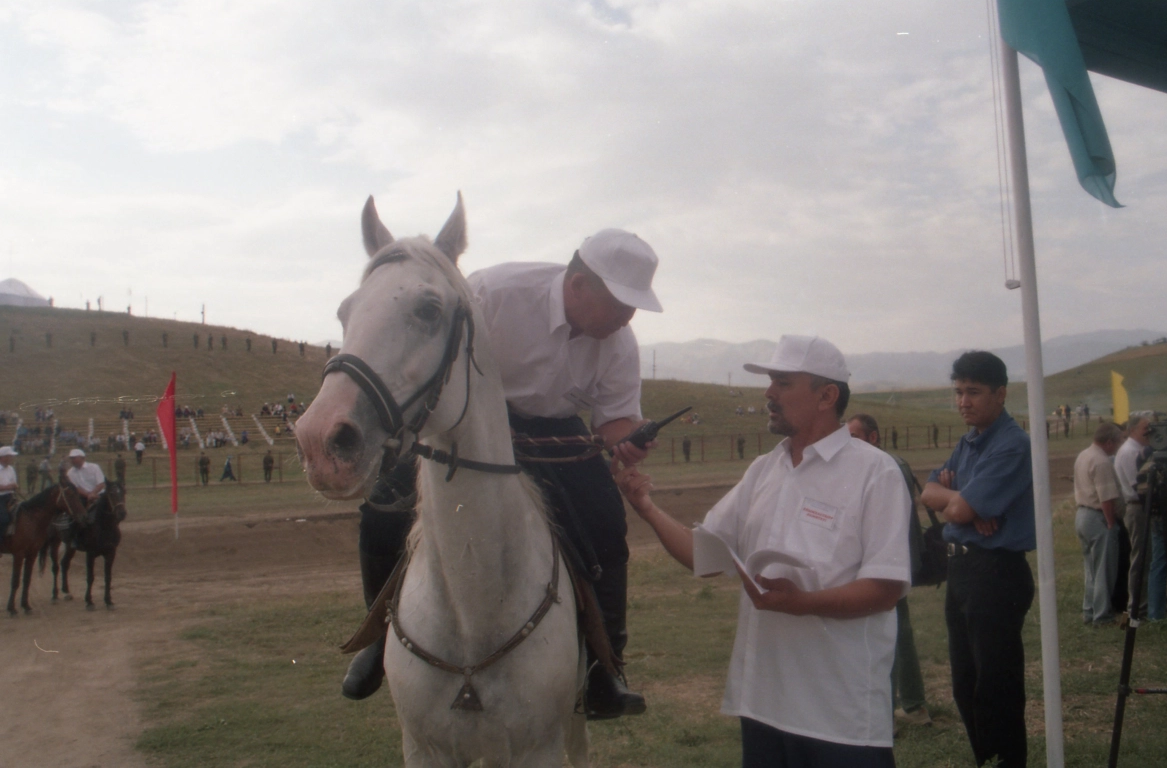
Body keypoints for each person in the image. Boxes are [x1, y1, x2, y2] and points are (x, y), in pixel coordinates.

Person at [342, 228, 661, 721]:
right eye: (620, 302)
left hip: (555, 431)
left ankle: (604, 668)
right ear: (578, 284)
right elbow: (436, 356)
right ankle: (378, 637)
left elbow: (614, 421)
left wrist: (631, 438)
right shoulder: (494, 294)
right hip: (471, 419)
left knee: (604, 520)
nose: (627, 316)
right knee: (384, 507)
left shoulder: (619, 341)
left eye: (633, 306)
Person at [615, 335, 910, 767]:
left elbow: (885, 588)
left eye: (783, 382)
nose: (768, 393)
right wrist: (647, 508)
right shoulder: (764, 469)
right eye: (771, 381)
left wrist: (803, 604)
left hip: (840, 716)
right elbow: (706, 556)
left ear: (827, 395)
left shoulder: (874, 472)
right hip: (763, 706)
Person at [921, 351, 1035, 768]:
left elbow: (955, 510)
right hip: (963, 569)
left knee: (996, 682)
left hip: (997, 572)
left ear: (1000, 394)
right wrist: (965, 502)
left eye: (973, 392)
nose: (963, 401)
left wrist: (962, 502)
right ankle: (987, 756)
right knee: (965, 680)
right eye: (958, 392)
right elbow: (929, 494)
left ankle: (1010, 760)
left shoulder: (1013, 445)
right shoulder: (969, 442)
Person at [846, 412, 932, 731]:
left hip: (889, 565)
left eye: (854, 437)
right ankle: (912, 704)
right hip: (897, 561)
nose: (848, 444)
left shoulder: (883, 466)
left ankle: (891, 711)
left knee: (888, 635)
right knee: (899, 633)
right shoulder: (894, 462)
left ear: (873, 437)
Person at [1116, 413, 1167, 620]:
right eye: (1145, 427)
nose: (1149, 431)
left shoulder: (1138, 450)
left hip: (1143, 506)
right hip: (1137, 507)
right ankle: (1137, 606)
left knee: (1147, 558)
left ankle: (1146, 602)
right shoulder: (1129, 452)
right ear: (1132, 430)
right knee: (1140, 558)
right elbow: (1137, 485)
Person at [1074, 423, 1125, 625]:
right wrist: (1111, 523)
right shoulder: (1102, 461)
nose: (1119, 445)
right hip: (1097, 516)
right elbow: (1106, 497)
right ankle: (1102, 615)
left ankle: (1089, 610)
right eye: (1118, 441)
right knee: (1105, 569)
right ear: (1109, 442)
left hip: (1082, 514)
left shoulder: (1083, 455)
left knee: (1091, 569)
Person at [0, 446, 20, 537]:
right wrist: (8, 487)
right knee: (3, 519)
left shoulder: (11, 469)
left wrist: (8, 487)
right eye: (10, 456)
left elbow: (15, 484)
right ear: (3, 457)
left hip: (10, 496)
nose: (12, 458)